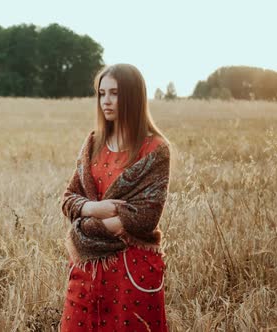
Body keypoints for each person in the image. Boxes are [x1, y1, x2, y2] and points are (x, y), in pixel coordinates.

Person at [59, 63, 171, 331]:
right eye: (101, 93)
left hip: (131, 270)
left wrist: (82, 226)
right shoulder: (93, 143)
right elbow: (67, 200)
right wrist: (97, 209)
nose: (105, 101)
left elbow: (143, 218)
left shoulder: (155, 149)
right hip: (86, 267)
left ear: (133, 97)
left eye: (114, 93)